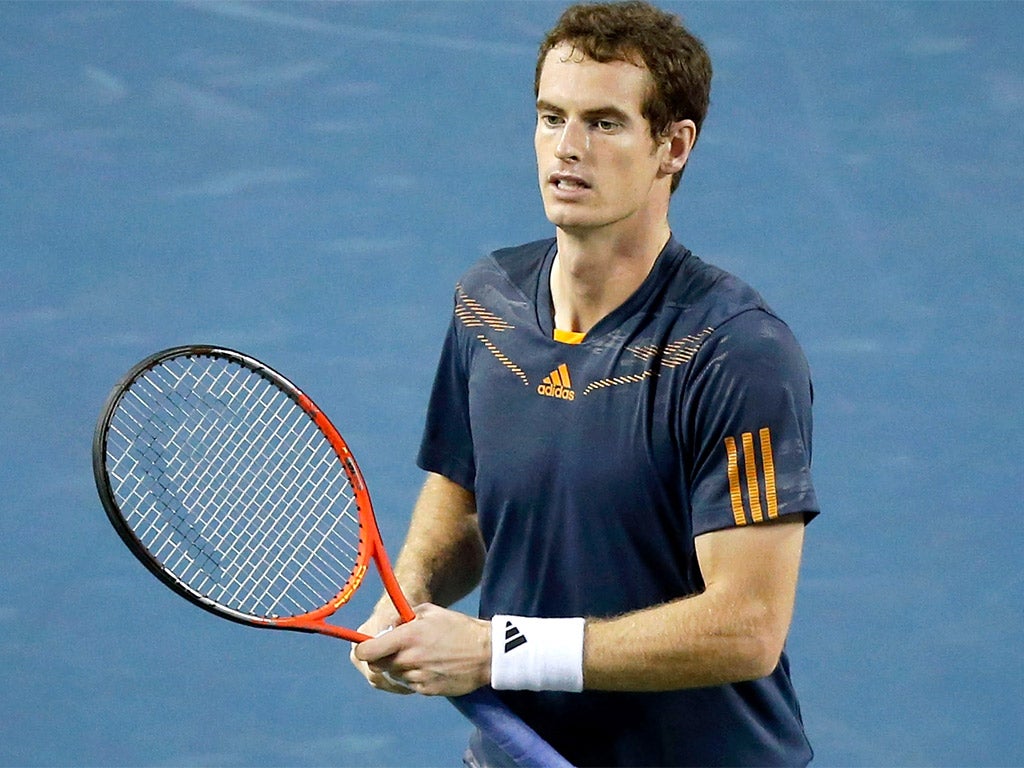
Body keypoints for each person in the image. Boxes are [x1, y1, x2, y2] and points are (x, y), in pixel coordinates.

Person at [351, 2, 820, 765]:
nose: (566, 149)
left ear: (672, 145)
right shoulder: (488, 302)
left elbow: (747, 627)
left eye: (604, 123)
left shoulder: (732, 351)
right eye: (550, 116)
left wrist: (498, 652)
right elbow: (463, 500)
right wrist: (412, 593)